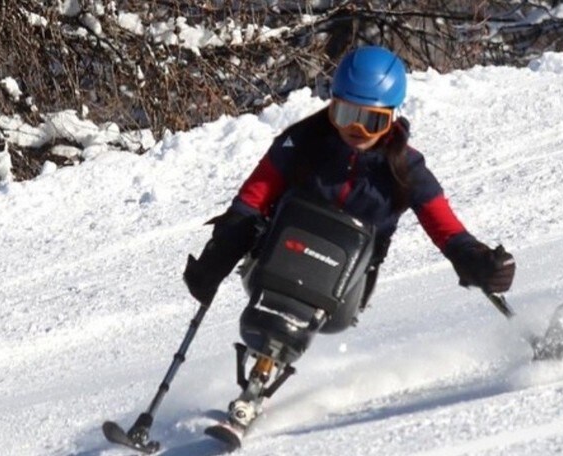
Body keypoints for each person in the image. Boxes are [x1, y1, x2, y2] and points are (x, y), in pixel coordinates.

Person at [183, 45, 516, 438]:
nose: (355, 131)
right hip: (274, 264)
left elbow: (445, 225)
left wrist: (476, 260)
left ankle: (263, 377)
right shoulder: (302, 141)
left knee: (333, 257)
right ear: (332, 105)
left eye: (370, 121)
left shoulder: (405, 169)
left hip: (343, 286)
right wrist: (216, 259)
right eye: (345, 115)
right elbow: (252, 200)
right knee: (280, 264)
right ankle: (255, 387)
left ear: (391, 118)